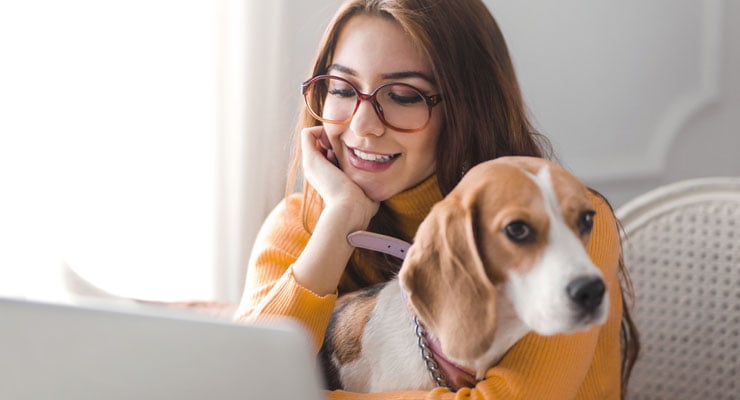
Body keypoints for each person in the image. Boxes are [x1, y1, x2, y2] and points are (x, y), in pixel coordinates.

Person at [235, 0, 639, 399]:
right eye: (341, 89)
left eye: (404, 96)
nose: (362, 125)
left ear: (468, 108)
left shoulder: (574, 221)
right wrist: (340, 221)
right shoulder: (300, 223)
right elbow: (237, 382)